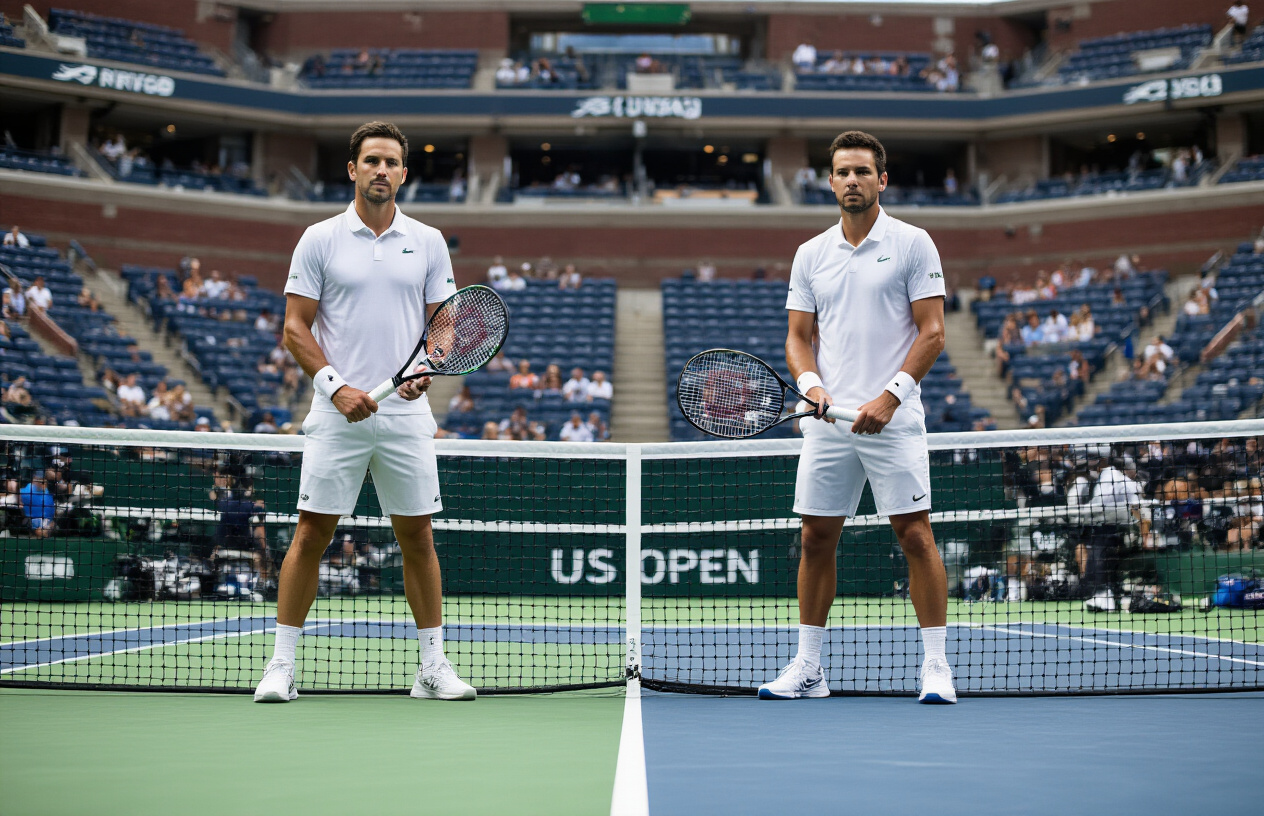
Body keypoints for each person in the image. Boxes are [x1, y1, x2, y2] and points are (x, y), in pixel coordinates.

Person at [254, 121, 474, 704]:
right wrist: (336, 388)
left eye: (391, 162)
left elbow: (444, 326)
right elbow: (295, 327)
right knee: (311, 532)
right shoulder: (319, 238)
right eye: (371, 160)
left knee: (417, 536)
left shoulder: (428, 241)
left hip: (405, 415)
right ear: (352, 169)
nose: (381, 170)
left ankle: (432, 668)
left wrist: (428, 366)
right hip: (335, 413)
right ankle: (281, 666)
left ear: (404, 173)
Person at [760, 130, 954, 704]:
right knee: (815, 537)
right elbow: (798, 338)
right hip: (828, 422)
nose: (852, 180)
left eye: (862, 172)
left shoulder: (914, 243)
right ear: (829, 182)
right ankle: (809, 668)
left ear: (881, 180)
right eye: (843, 172)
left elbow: (933, 332)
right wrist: (812, 386)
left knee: (915, 535)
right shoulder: (810, 254)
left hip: (895, 417)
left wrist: (890, 397)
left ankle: (936, 667)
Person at [20, 470, 56, 538]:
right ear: (34, 479)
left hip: (47, 521)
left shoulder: (48, 491)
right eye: (39, 480)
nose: (41, 483)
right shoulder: (26, 491)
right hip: (32, 521)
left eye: (43, 480)